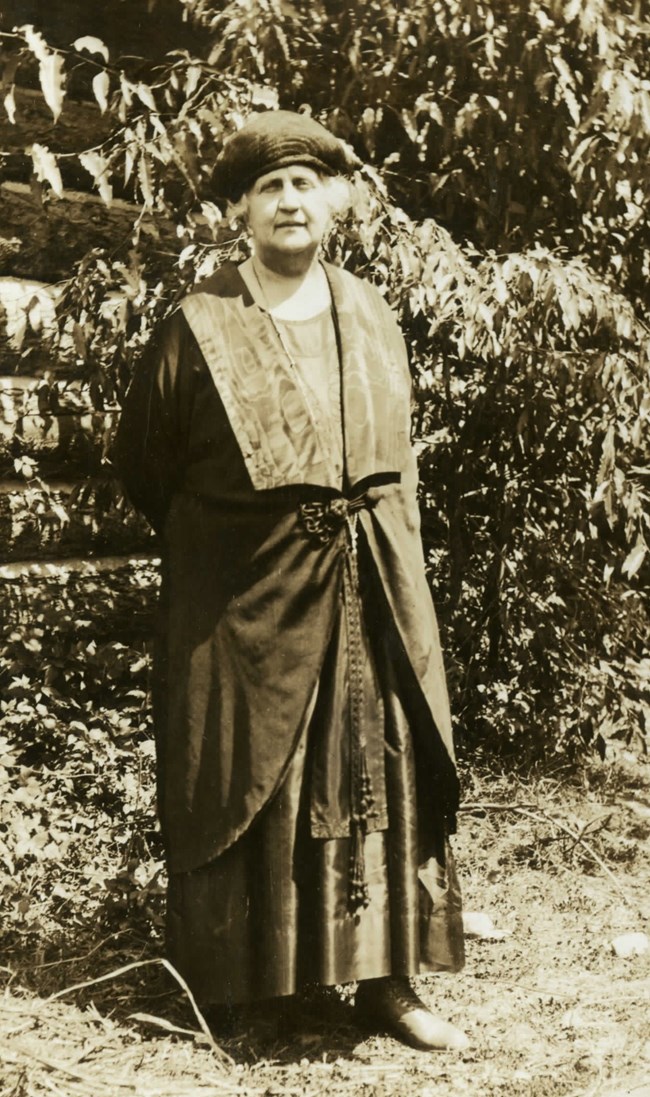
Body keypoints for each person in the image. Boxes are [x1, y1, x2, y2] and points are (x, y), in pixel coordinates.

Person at [113, 109, 467, 1052]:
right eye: (268, 187)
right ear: (238, 210)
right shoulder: (197, 327)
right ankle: (258, 996)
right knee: (254, 782)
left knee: (378, 772)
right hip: (249, 600)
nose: (289, 201)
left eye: (306, 183)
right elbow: (145, 465)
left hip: (374, 593)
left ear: (338, 199)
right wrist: (242, 539)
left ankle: (386, 985)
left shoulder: (372, 313)